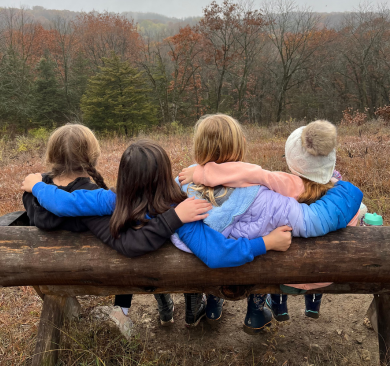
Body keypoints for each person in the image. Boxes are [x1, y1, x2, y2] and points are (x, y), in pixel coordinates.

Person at [21, 139, 292, 329]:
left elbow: (65, 204)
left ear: (124, 176)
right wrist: (266, 242)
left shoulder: (113, 200)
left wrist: (36, 186)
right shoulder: (181, 210)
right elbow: (217, 254)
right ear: (165, 173)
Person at [172, 114, 362, 334]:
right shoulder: (263, 197)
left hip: (191, 267)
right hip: (243, 265)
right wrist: (346, 190)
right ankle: (255, 313)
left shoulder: (181, 183)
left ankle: (213, 308)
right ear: (240, 145)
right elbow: (313, 220)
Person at [22, 125, 213, 337]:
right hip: (113, 273)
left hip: (53, 276)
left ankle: (155, 302)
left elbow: (60, 202)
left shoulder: (33, 191)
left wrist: (37, 186)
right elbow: (128, 243)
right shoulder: (94, 204)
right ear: (92, 156)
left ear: (52, 156)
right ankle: (178, 299)